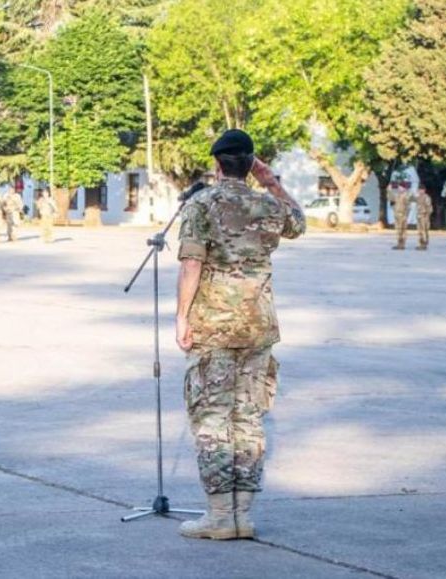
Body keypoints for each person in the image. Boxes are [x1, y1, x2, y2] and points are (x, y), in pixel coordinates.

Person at [175, 129, 305, 541]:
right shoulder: (268, 203)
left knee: (213, 419)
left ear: (217, 164)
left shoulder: (202, 203)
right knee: (248, 417)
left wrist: (181, 316)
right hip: (258, 325)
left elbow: (191, 265)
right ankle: (242, 516)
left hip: (214, 325)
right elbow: (298, 223)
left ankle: (219, 517)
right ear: (251, 163)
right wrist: (270, 181)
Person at [390, 185, 410, 250]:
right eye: (399, 188)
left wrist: (405, 215)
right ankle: (399, 244)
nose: (399, 189)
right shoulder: (396, 196)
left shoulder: (406, 196)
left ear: (404, 189)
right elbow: (392, 202)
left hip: (403, 215)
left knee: (403, 230)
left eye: (401, 187)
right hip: (397, 215)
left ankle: (402, 244)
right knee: (398, 230)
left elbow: (408, 207)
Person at [415, 185, 433, 251]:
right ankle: (421, 243)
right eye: (419, 190)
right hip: (419, 216)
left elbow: (429, 208)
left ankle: (424, 244)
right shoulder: (418, 197)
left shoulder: (426, 197)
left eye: (421, 190)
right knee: (420, 230)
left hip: (424, 216)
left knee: (424, 230)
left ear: (424, 190)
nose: (420, 191)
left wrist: (427, 216)